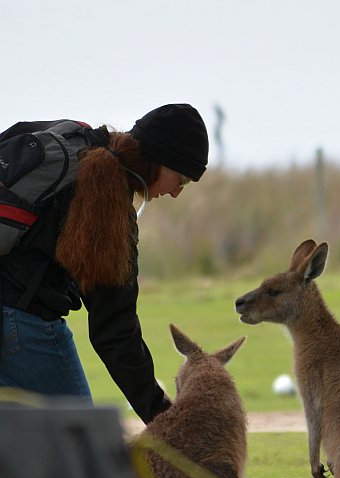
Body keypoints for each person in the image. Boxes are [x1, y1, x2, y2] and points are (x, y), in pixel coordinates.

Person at [0, 104, 209, 424]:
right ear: (160, 160)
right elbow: (113, 328)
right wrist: (160, 413)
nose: (177, 192)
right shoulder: (105, 195)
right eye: (181, 178)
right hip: (21, 323)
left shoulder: (70, 135)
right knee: (81, 448)